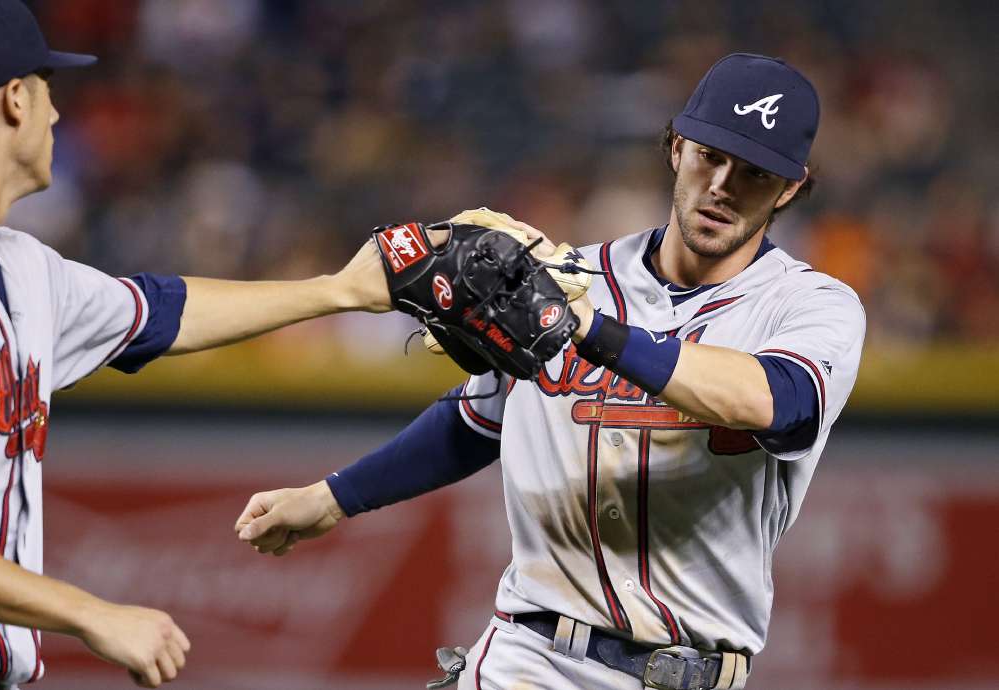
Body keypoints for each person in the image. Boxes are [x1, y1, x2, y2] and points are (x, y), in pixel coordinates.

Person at [0, 2, 391, 689]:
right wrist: (90, 613)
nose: (58, 116)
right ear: (13, 99)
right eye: (47, 92)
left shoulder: (24, 269)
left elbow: (167, 313)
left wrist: (342, 291)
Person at [235, 53, 866, 690]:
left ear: (790, 188)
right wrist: (332, 497)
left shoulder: (812, 307)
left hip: (692, 672)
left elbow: (777, 401)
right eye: (710, 156)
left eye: (755, 173)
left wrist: (597, 331)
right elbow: (477, 418)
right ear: (677, 148)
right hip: (528, 659)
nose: (723, 186)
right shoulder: (569, 279)